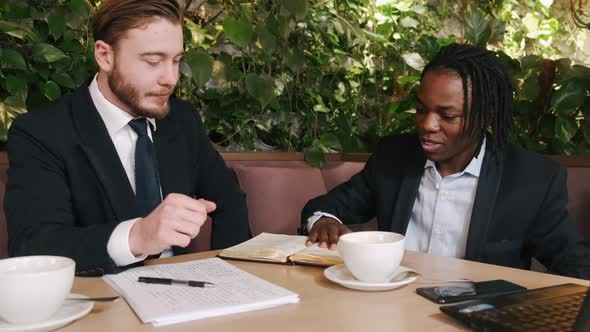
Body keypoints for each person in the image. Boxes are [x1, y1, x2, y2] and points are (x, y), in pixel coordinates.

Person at [301, 43, 590, 279]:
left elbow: (573, 262)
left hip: (478, 318)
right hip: (391, 311)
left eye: (447, 116)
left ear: (485, 116)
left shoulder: (531, 178)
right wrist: (324, 220)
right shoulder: (395, 157)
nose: (428, 125)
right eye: (421, 109)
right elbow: (324, 208)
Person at [4, 0, 250, 275]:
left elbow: (229, 200)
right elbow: (34, 247)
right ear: (105, 56)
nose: (170, 78)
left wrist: (230, 275)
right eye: (153, 61)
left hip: (184, 298)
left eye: (176, 61)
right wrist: (136, 237)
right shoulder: (42, 133)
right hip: (99, 307)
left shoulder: (182, 120)